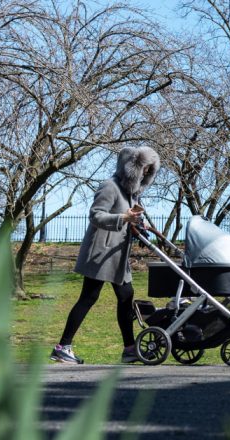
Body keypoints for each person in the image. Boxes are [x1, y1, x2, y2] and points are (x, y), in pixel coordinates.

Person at [50, 146, 160, 364]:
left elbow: (129, 218)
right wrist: (123, 217)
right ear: (132, 169)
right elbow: (95, 215)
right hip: (100, 253)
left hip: (117, 256)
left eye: (149, 169)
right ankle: (63, 346)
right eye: (144, 168)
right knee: (89, 297)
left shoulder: (130, 193)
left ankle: (129, 349)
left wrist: (141, 225)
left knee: (126, 296)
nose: (146, 173)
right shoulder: (110, 186)